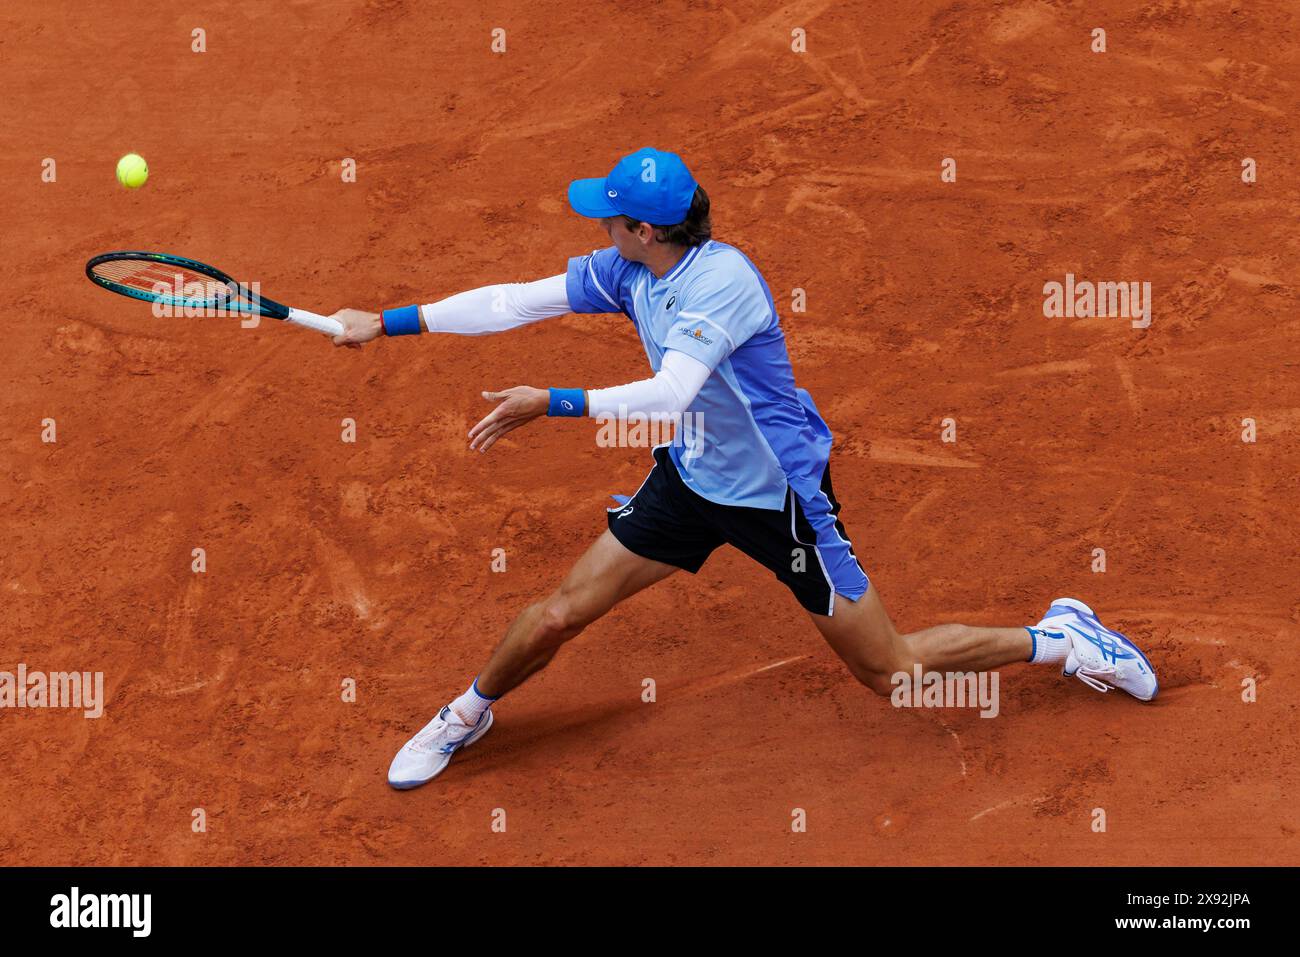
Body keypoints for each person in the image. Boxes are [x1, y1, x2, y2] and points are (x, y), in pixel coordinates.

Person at [327, 147, 1158, 790]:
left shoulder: (719, 286)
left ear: (647, 230)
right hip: (690, 482)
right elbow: (517, 299)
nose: (599, 228)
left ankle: (1059, 638)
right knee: (558, 614)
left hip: (778, 500)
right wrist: (389, 323)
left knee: (892, 671)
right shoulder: (631, 268)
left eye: (610, 217)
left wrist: (552, 400)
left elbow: (667, 392)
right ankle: (468, 712)